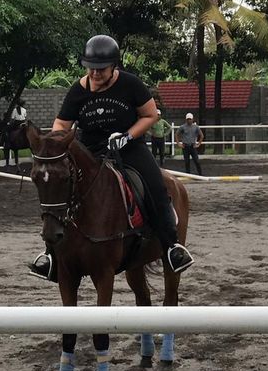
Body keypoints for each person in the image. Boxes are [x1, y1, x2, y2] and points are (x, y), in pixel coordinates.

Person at [28, 35, 194, 281]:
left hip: (129, 147)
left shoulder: (131, 84)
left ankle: (171, 247)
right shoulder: (77, 91)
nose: (95, 74)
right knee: (59, 191)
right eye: (91, 69)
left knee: (157, 186)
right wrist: (58, 141)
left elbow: (150, 115)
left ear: (114, 66)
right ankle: (51, 254)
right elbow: (62, 123)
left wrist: (127, 136)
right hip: (89, 150)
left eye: (101, 70)